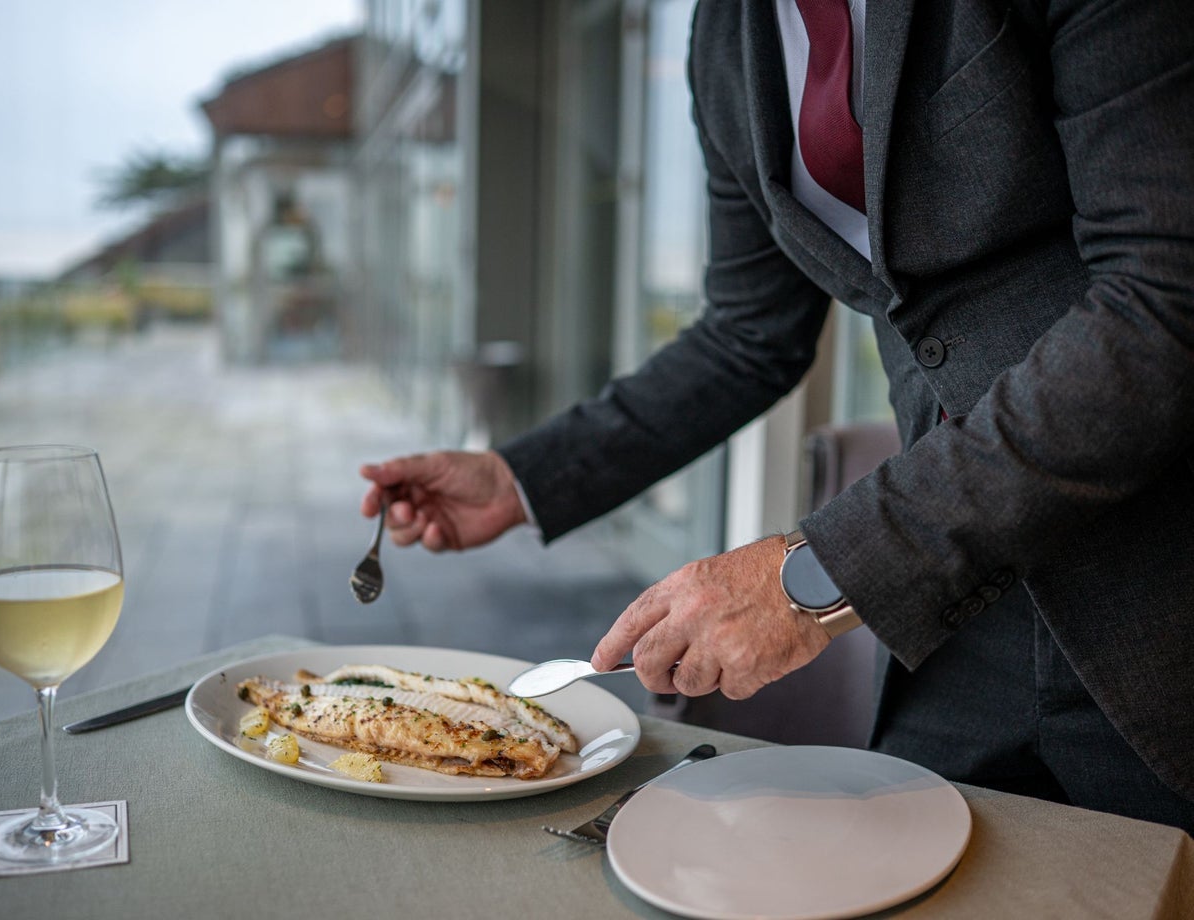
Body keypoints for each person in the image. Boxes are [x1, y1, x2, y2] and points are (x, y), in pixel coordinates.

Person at [360, 0, 1194, 833]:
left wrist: (815, 575)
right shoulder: (725, 40)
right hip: (955, 600)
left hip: (1156, 589)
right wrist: (522, 476)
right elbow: (747, 333)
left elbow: (1164, 301)